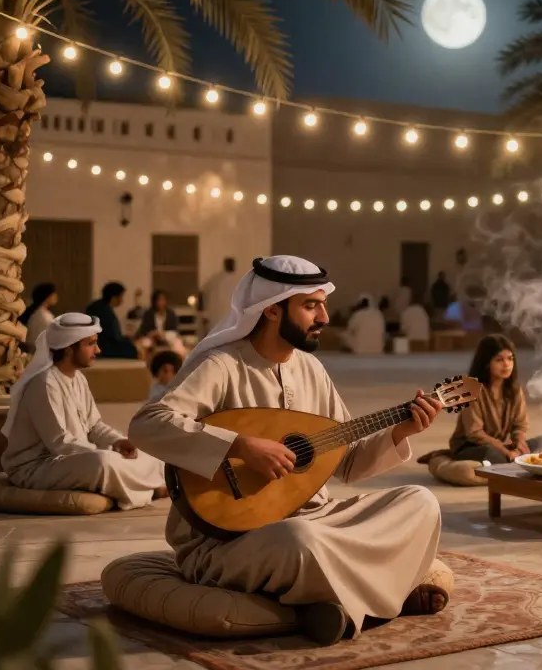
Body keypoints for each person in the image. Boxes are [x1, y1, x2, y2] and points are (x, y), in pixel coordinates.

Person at [128, 255, 446, 646]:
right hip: (233, 540)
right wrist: (239, 445)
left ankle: (335, 602)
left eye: (322, 304)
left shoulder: (311, 369)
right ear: (272, 311)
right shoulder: (222, 365)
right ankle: (384, 591)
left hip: (317, 517)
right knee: (299, 540)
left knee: (420, 502)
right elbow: (147, 424)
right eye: (311, 306)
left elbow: (344, 461)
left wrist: (401, 431)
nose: (325, 317)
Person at [0, 313, 167, 509]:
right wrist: (108, 450)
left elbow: (94, 426)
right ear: (70, 347)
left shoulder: (78, 378)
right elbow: (60, 444)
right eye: (91, 343)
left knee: (147, 451)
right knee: (103, 462)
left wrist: (118, 441)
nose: (98, 349)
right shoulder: (45, 384)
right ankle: (150, 490)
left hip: (72, 458)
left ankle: (144, 488)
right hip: (39, 466)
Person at [449, 334, 542, 463]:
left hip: (500, 446)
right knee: (490, 454)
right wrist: (506, 452)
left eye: (510, 359)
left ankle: (513, 460)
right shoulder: (469, 389)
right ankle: (511, 461)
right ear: (486, 363)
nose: (506, 365)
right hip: (473, 447)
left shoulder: (514, 390)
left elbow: (519, 426)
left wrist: (520, 447)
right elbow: (475, 433)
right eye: (499, 360)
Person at [85, 282, 138, 359]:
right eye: (121, 296)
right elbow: (113, 336)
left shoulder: (99, 307)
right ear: (114, 297)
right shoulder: (103, 311)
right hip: (104, 347)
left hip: (101, 344)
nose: (122, 300)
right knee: (134, 350)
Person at [135, 290, 186, 358]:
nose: (161, 302)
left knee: (178, 345)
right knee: (144, 344)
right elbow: (144, 330)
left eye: (163, 299)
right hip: (152, 337)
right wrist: (153, 334)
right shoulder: (149, 314)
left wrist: (164, 334)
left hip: (167, 337)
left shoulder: (171, 314)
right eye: (159, 300)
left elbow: (175, 330)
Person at [200, 257, 239, 334]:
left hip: (219, 321)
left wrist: (204, 314)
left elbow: (201, 294)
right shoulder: (239, 280)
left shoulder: (215, 279)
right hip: (223, 321)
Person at [19, 282, 58, 347]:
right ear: (47, 296)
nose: (56, 296)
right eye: (54, 294)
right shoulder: (43, 316)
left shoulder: (38, 313)